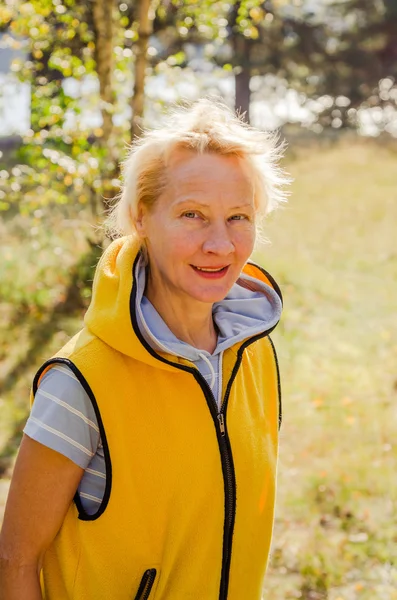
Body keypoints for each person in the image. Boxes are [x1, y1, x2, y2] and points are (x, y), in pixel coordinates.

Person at [0, 98, 289, 600]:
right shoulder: (81, 381)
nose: (220, 245)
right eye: (192, 215)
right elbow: (14, 558)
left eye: (238, 217)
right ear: (141, 219)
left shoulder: (254, 354)